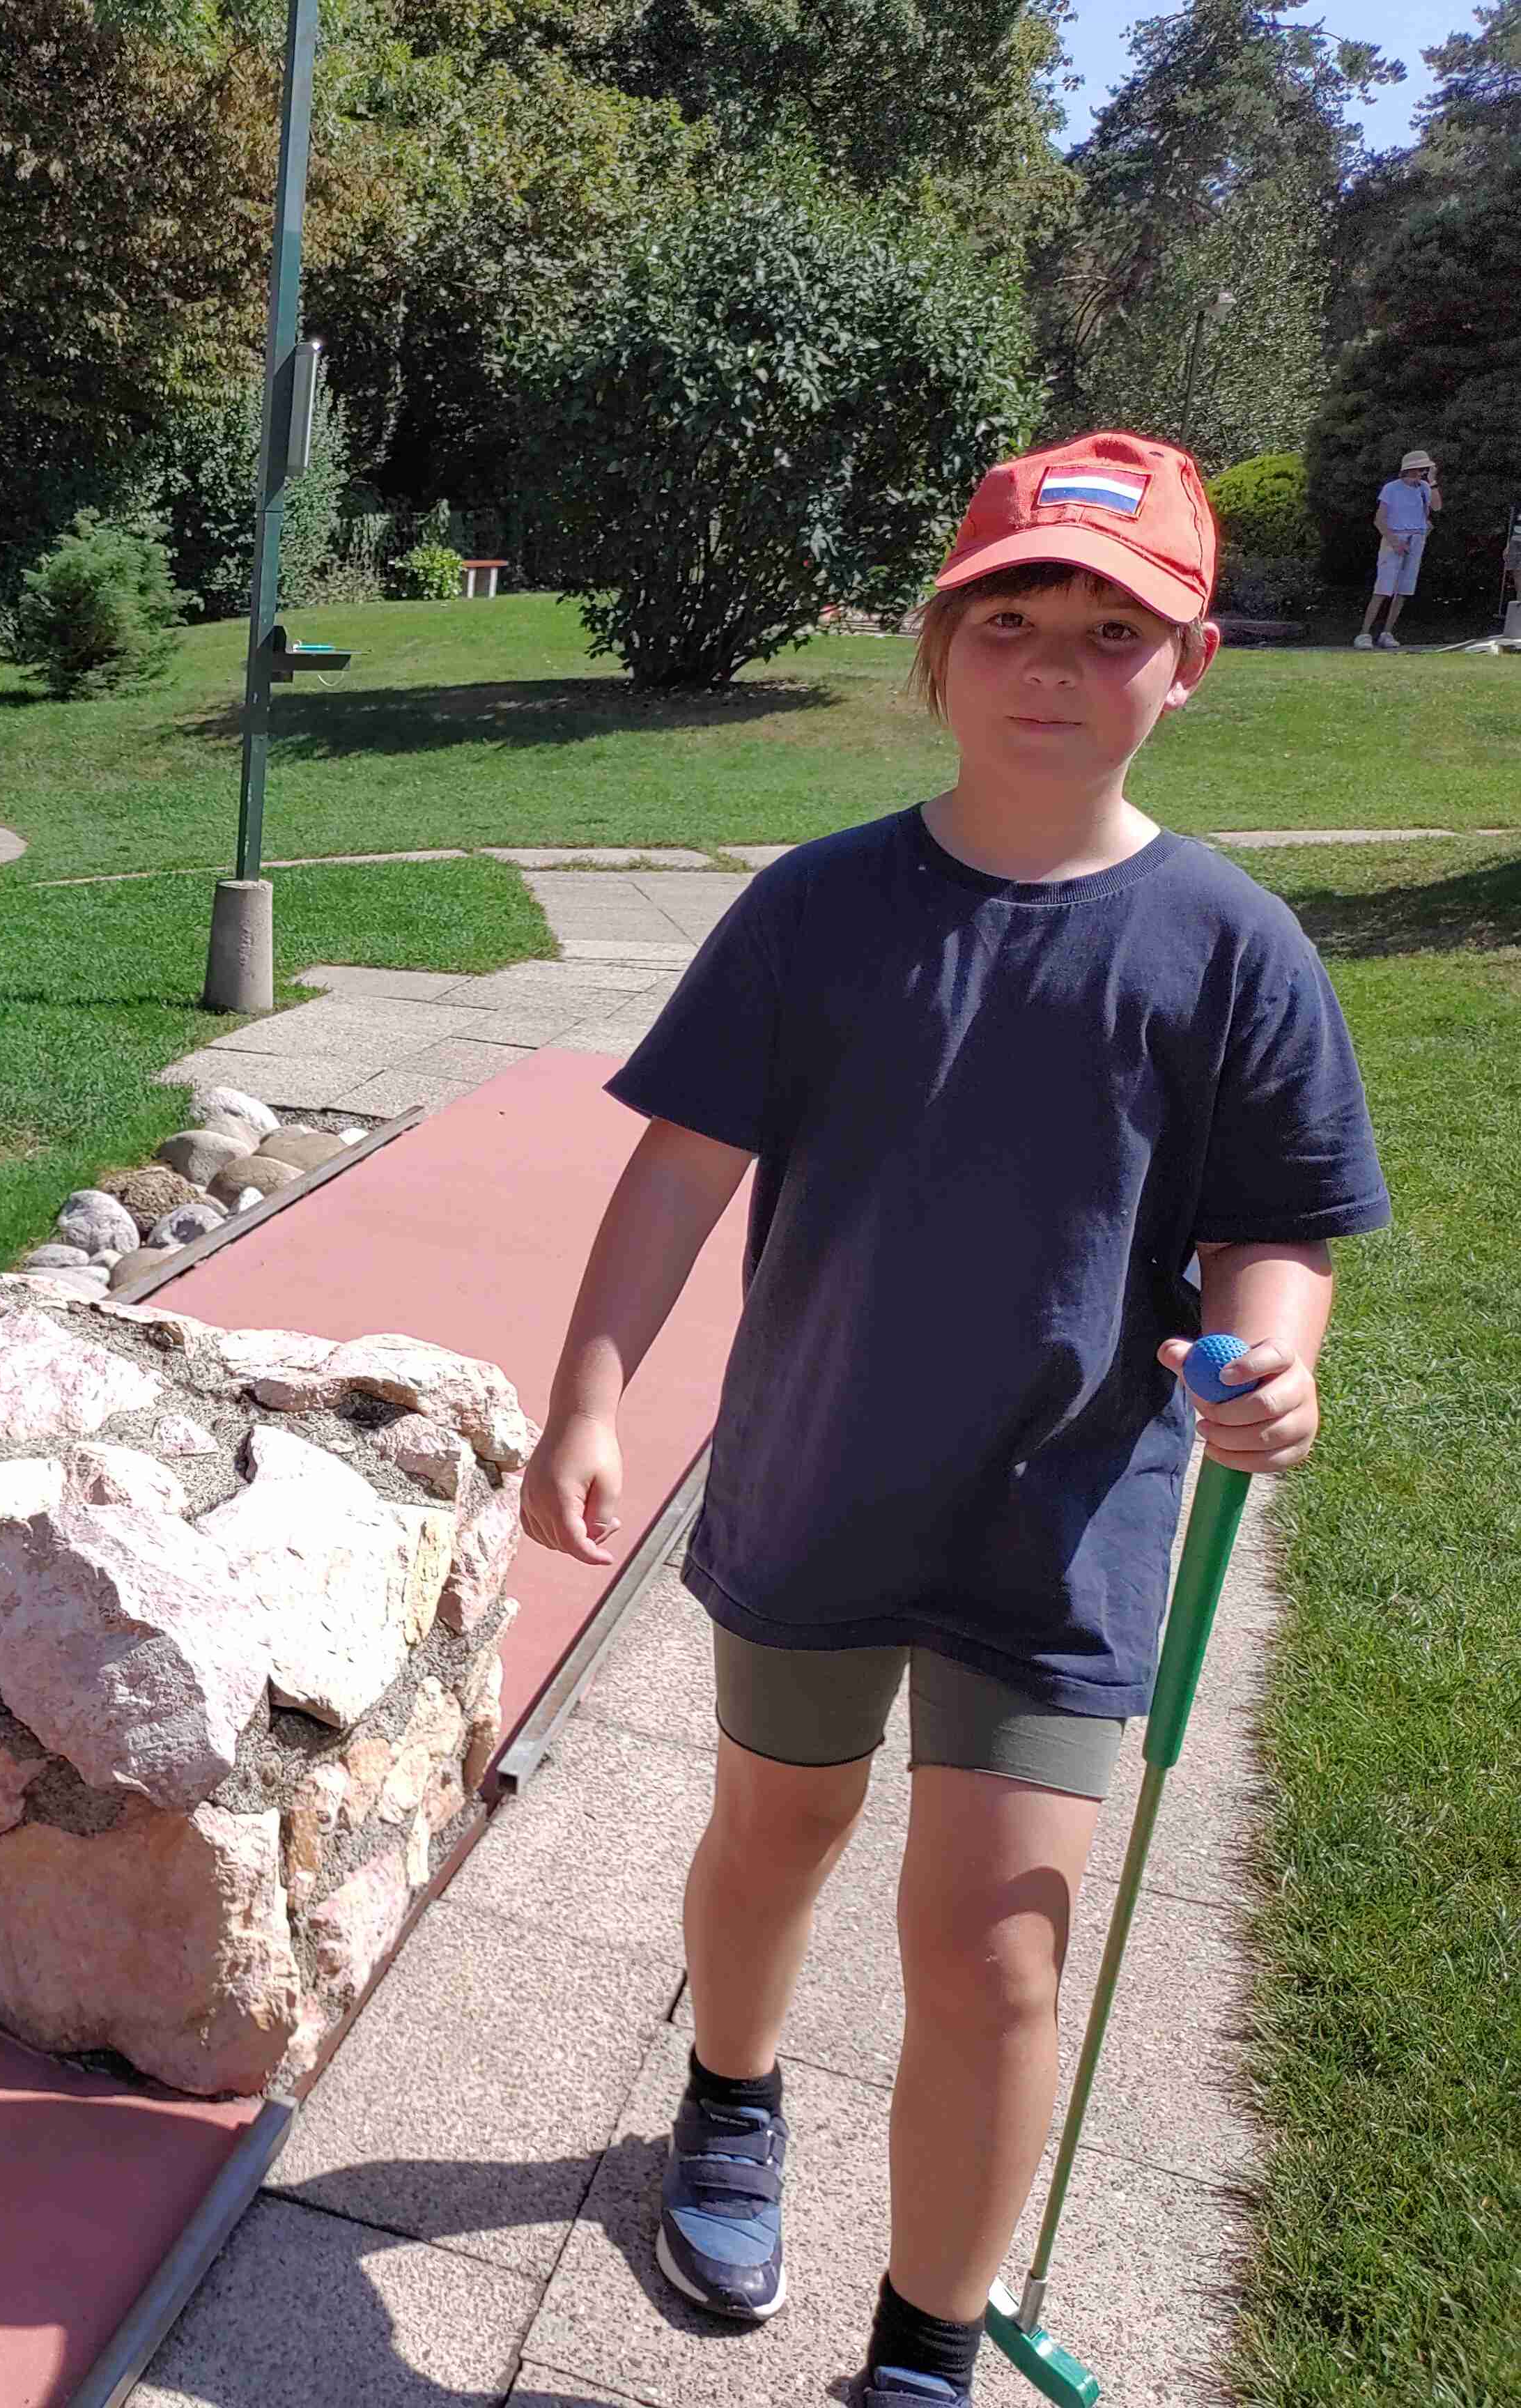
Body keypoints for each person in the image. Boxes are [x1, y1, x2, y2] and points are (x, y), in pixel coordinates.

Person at [520, 431, 1388, 2407]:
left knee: (997, 1947)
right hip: (817, 1474)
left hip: (1063, 1522)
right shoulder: (820, 907)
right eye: (1010, 621)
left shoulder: (1232, 946)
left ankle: (922, 2355)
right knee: (779, 1826)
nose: (1054, 664)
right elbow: (677, 1171)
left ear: (1191, 666)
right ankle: (728, 2095)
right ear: (936, 651)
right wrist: (588, 1393)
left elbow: (1277, 1223)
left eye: (1111, 631)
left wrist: (1274, 1350)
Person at [1354, 447, 1441, 647]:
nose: (1422, 473)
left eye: (1425, 469)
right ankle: (1364, 634)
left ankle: (1387, 633)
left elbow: (1436, 507)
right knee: (1383, 588)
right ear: (1408, 469)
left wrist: (1433, 482)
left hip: (1417, 539)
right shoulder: (1391, 489)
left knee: (1404, 590)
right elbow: (1379, 520)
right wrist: (1394, 542)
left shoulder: (1424, 488)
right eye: (1419, 469)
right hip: (1395, 539)